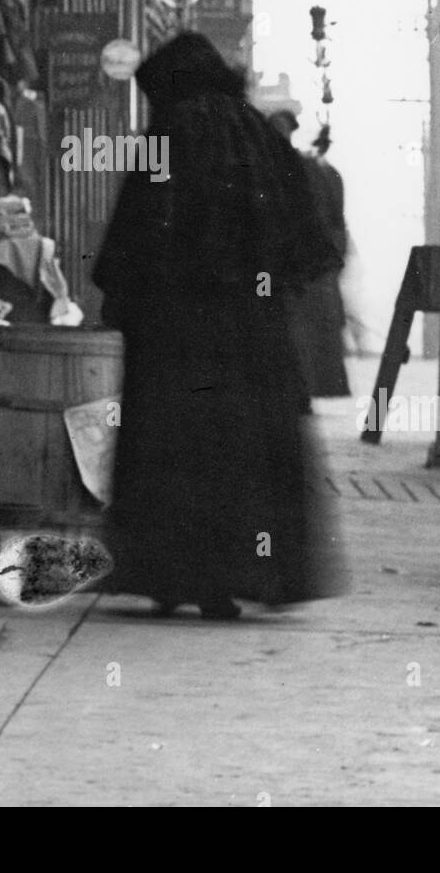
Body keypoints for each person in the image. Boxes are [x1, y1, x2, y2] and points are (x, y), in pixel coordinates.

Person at [93, 33, 346, 619]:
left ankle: (176, 574)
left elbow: (141, 227)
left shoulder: (173, 132)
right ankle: (241, 575)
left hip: (176, 333)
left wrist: (127, 298)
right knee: (248, 453)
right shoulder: (258, 134)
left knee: (176, 450)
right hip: (252, 331)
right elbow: (305, 235)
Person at [268, 112, 351, 399]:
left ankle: (315, 384)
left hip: (306, 257)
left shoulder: (295, 168)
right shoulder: (320, 171)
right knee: (318, 324)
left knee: (308, 324)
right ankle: (322, 384)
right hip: (317, 257)